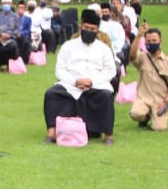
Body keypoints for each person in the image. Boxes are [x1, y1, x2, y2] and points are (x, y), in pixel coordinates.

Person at [42, 8, 115, 145]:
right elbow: (60, 70)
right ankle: (51, 133)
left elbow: (111, 71)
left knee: (105, 96)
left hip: (96, 85)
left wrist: (92, 81)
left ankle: (108, 136)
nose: (89, 31)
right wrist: (75, 81)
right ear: (81, 26)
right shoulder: (68, 46)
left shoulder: (103, 48)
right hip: (71, 85)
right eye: (86, 27)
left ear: (97, 30)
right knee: (51, 94)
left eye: (93, 29)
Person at [127, 24, 168, 131]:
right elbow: (132, 56)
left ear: (161, 42)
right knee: (135, 114)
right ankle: (145, 117)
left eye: (154, 41)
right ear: (145, 43)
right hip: (143, 98)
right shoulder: (142, 57)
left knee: (159, 128)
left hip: (160, 101)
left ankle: (154, 115)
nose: (151, 43)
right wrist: (139, 36)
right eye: (148, 41)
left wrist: (166, 102)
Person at [0, 0, 26, 70]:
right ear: (2, 4)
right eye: (4, 3)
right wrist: (0, 35)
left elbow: (17, 30)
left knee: (12, 46)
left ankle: (10, 67)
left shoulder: (16, 16)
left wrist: (9, 36)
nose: (6, 5)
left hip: (10, 38)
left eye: (8, 3)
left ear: (11, 4)